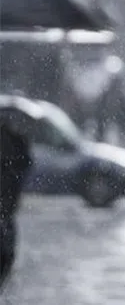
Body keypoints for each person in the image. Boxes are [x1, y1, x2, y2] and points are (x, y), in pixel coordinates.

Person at [0, 117, 33, 289]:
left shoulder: (15, 139)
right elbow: (26, 163)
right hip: (9, 192)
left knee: (6, 225)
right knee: (7, 225)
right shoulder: (17, 138)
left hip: (8, 192)